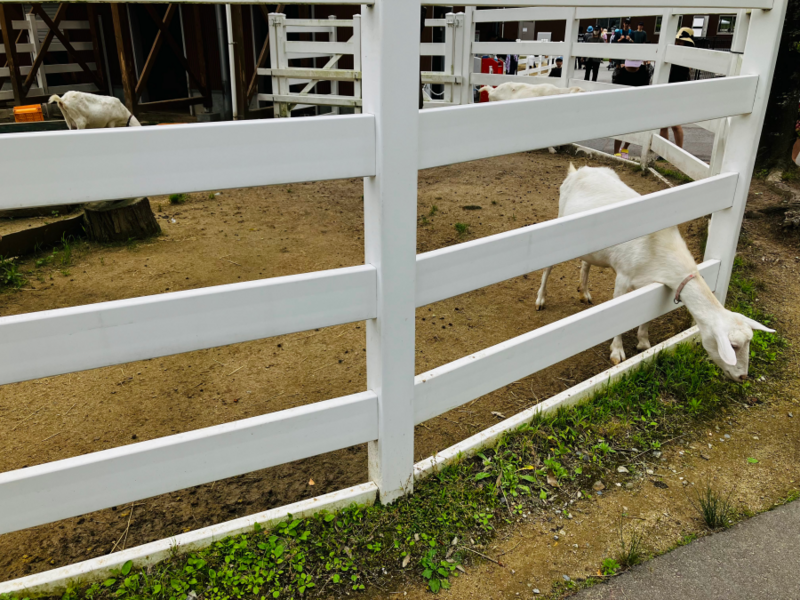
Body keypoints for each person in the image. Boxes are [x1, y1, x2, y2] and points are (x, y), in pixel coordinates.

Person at [658, 27, 695, 149]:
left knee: (675, 124)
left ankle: (679, 150)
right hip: (666, 89)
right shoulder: (671, 54)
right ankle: (664, 152)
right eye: (677, 40)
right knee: (663, 124)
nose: (678, 43)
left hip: (677, 92)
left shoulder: (686, 60)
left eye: (681, 41)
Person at [613, 60, 651, 157]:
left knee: (632, 127)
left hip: (636, 103)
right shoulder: (621, 72)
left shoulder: (643, 71)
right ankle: (617, 151)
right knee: (621, 127)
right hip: (625, 103)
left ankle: (624, 148)